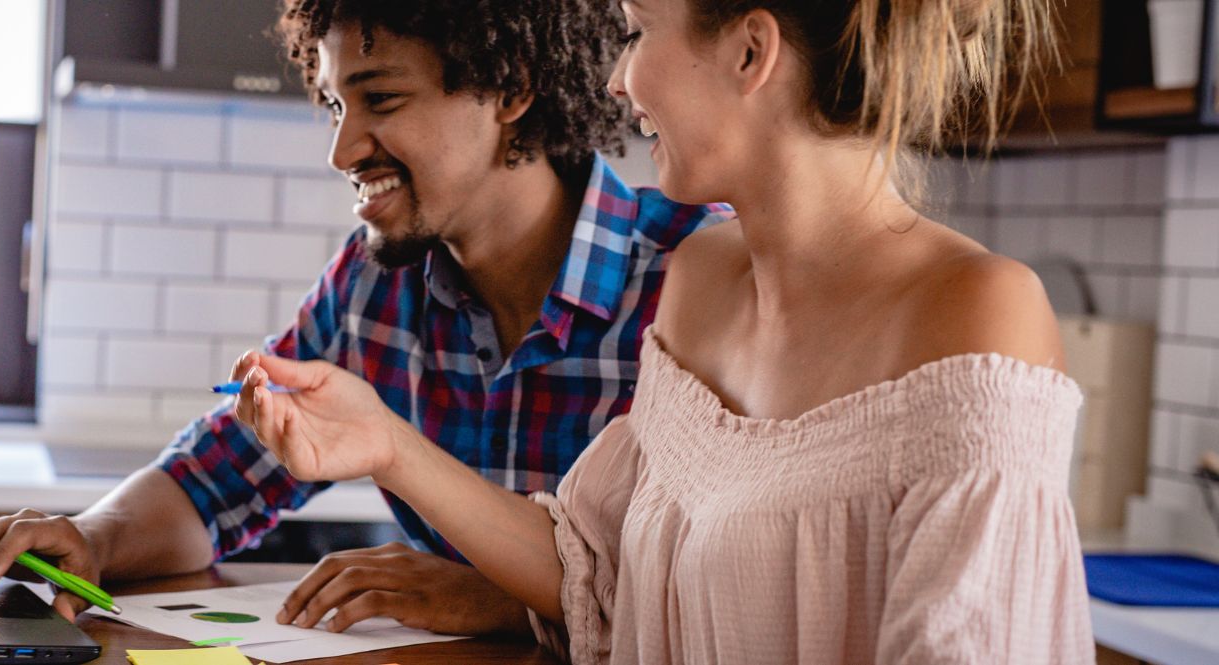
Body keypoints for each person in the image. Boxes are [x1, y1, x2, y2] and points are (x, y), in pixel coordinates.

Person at [233, 0, 1094, 661]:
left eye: (639, 31)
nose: (617, 81)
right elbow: (595, 574)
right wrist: (385, 443)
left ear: (749, 52)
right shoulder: (703, 284)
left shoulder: (978, 312)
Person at [0, 0, 732, 637]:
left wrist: (506, 601)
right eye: (337, 106)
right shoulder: (374, 285)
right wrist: (93, 536)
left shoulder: (700, 277)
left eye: (381, 98)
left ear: (510, 87)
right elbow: (220, 474)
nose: (343, 150)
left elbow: (724, 590)